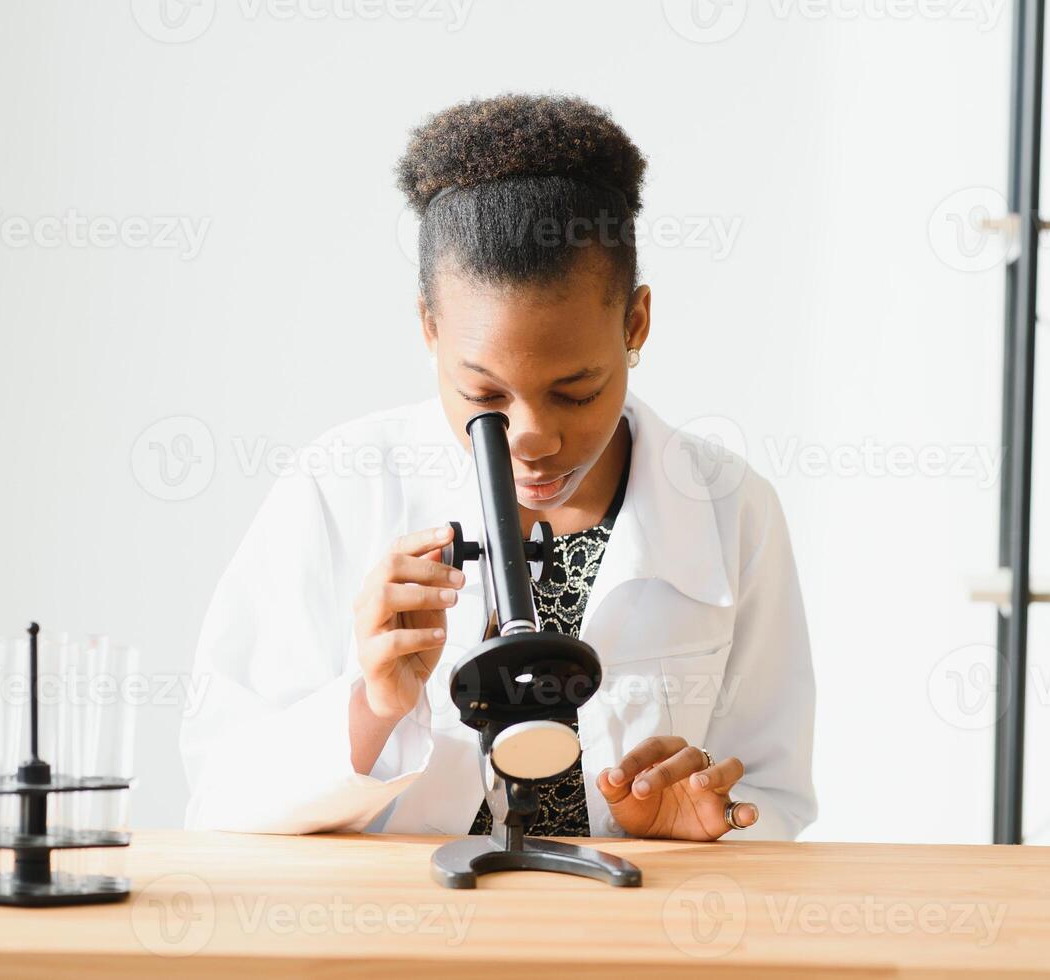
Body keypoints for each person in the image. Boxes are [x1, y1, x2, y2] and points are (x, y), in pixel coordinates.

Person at [180, 93, 815, 842]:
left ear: (635, 323)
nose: (534, 437)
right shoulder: (339, 487)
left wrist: (697, 821)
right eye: (484, 394)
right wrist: (369, 709)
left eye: (576, 391)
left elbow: (773, 796)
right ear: (429, 329)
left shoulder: (730, 508)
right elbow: (221, 799)